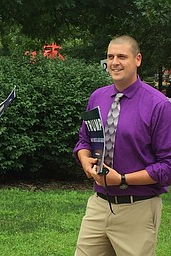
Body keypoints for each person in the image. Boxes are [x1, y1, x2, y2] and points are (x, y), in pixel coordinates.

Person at [73, 35, 171, 255]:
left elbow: (168, 166)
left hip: (138, 208)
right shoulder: (97, 97)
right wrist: (84, 159)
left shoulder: (159, 106)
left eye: (122, 56)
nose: (114, 62)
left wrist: (123, 179)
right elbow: (84, 140)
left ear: (137, 60)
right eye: (110, 56)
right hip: (98, 205)